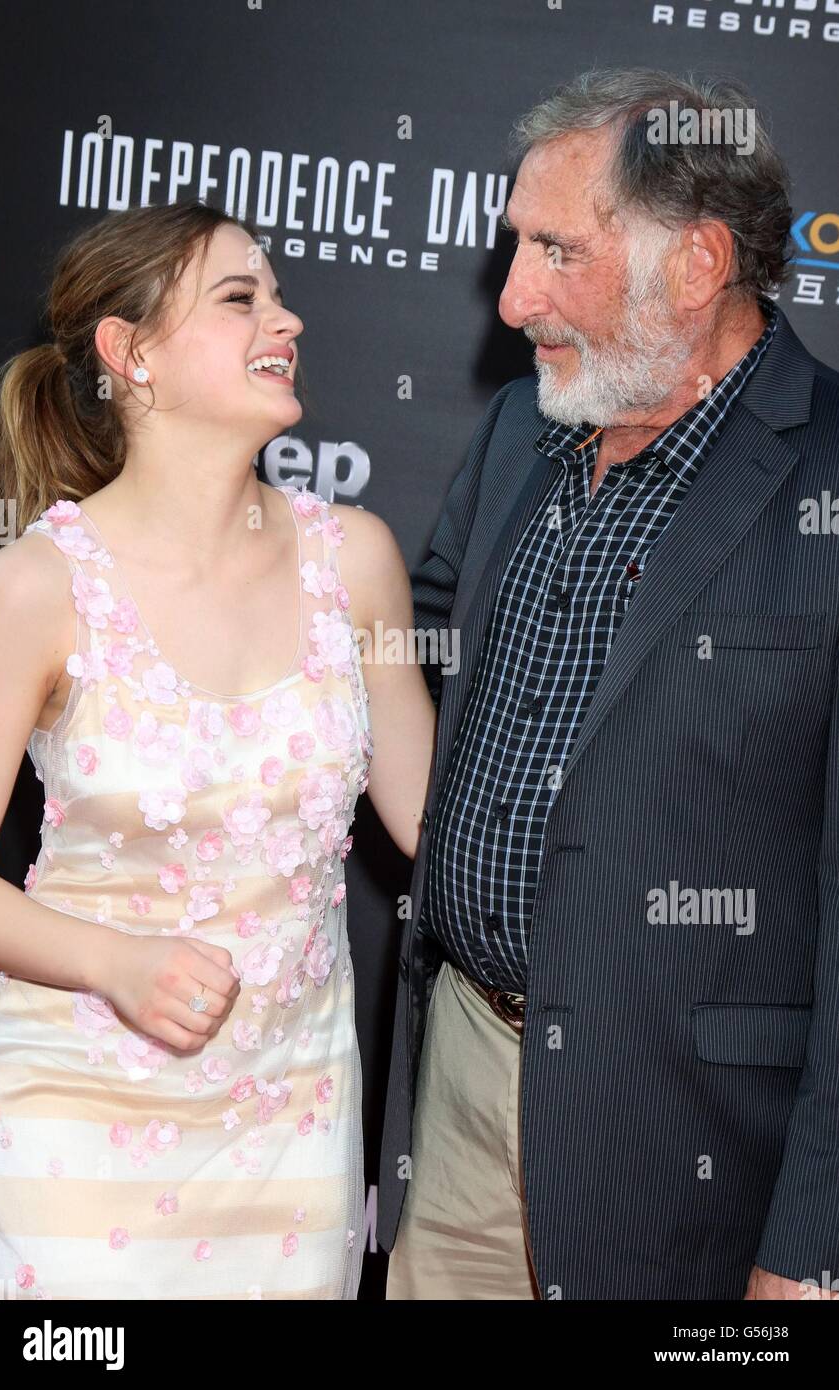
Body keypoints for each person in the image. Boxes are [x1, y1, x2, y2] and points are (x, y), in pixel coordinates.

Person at [378, 68, 839, 1300]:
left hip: (684, 1142)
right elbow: (419, 647)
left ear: (692, 266)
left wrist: (808, 1244)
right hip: (462, 1075)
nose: (512, 295)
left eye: (553, 250)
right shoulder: (519, 430)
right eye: (514, 246)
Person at [0, 200, 435, 1300]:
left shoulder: (354, 560)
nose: (287, 319)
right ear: (128, 356)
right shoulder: (36, 587)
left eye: (276, 294)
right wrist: (116, 964)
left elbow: (437, 826)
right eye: (240, 298)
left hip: (295, 1127)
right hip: (74, 1128)